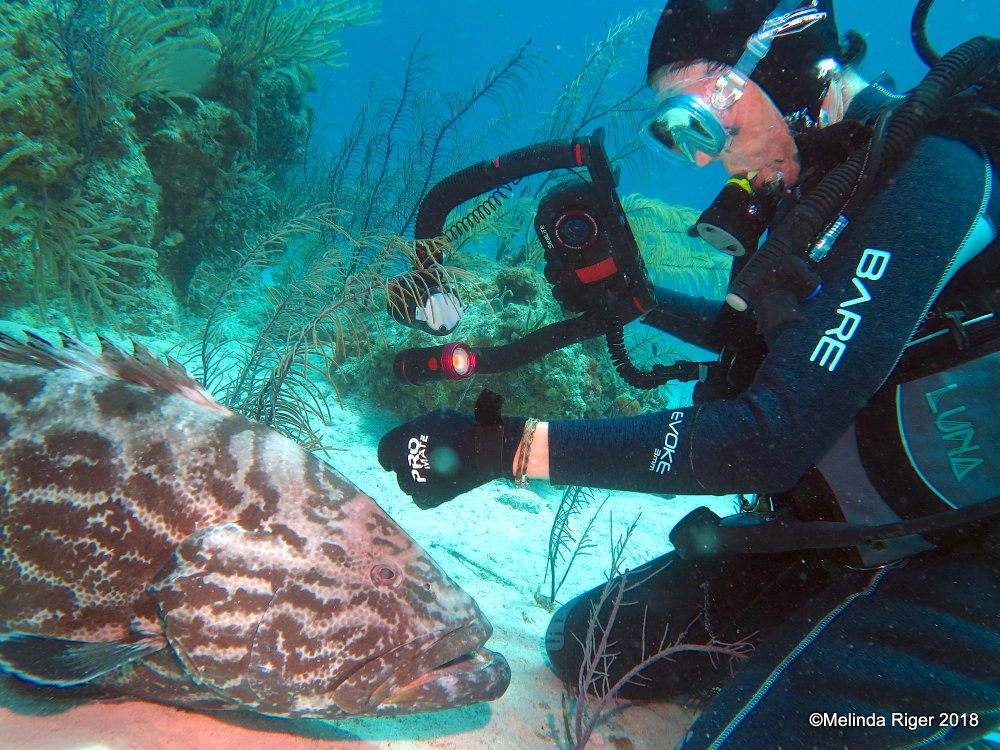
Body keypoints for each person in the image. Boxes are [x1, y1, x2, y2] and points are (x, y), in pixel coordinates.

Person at [378, 0, 1000, 747]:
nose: (704, 157)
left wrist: (503, 448)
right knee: (588, 646)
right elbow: (776, 350)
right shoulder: (823, 183)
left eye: (705, 113)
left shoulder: (935, 178)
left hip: (972, 562)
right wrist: (637, 303)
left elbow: (765, 438)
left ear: (787, 60)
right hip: (843, 532)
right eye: (676, 131)